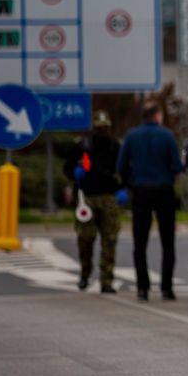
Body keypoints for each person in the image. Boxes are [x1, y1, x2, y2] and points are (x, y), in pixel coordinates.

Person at [117, 103, 184, 301]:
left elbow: (121, 165)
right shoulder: (167, 136)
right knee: (167, 242)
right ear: (157, 116)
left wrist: (130, 183)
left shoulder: (131, 136)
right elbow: (177, 165)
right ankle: (166, 288)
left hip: (141, 192)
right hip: (164, 191)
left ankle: (142, 288)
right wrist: (170, 177)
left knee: (140, 243)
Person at [63, 111, 124, 293]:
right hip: (86, 197)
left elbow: (124, 169)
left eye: (105, 128)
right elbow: (68, 168)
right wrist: (75, 173)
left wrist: (123, 189)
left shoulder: (115, 147)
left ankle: (107, 280)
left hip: (109, 196)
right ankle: (85, 274)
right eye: (99, 128)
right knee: (85, 239)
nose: (102, 132)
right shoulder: (82, 146)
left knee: (109, 240)